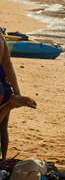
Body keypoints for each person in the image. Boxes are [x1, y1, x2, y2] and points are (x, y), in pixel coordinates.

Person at [0, 29, 37, 158]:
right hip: (3, 89)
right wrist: (17, 93)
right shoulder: (1, 39)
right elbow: (8, 66)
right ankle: (3, 157)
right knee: (3, 127)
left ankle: (11, 104)